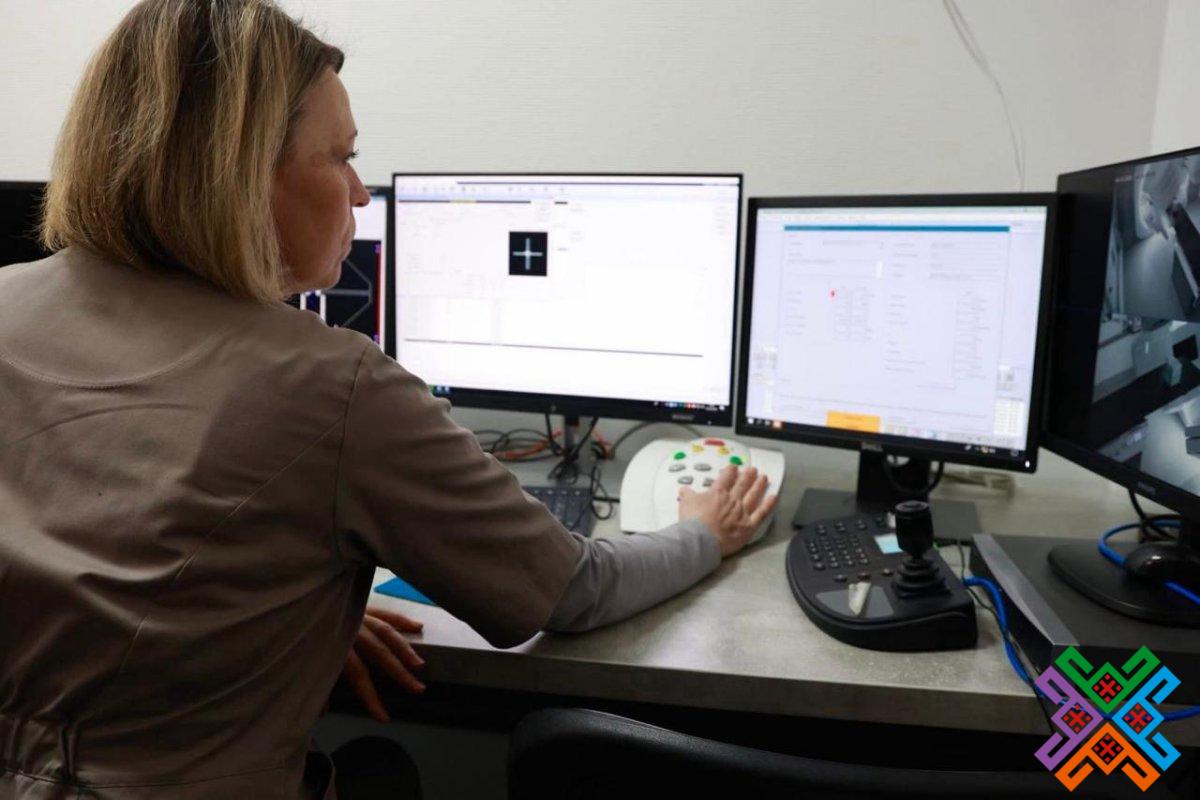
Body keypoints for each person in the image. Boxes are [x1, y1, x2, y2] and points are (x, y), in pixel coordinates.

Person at [0, 1, 778, 798]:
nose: (360, 194)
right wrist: (702, 533)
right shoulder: (328, 385)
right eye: (340, 158)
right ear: (238, 175)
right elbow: (572, 590)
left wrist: (271, 615)